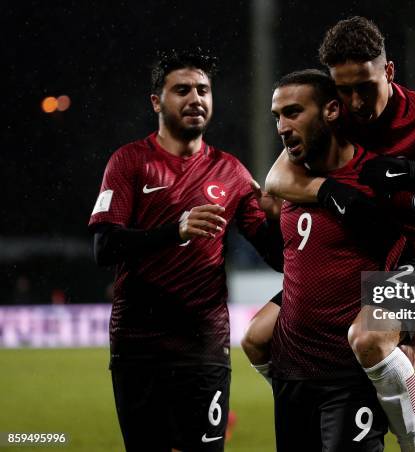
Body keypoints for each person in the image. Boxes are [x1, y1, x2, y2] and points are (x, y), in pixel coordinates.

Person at [243, 16, 415, 452]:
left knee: (371, 337)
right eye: (344, 90)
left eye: (365, 87)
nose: (356, 102)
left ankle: (413, 444)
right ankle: (310, 401)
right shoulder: (339, 118)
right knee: (258, 337)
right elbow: (275, 178)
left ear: (389, 71)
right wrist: (329, 191)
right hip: (383, 251)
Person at [88, 48, 282, 452]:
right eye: (182, 90)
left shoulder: (230, 171)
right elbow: (104, 246)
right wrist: (173, 231)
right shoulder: (129, 163)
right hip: (139, 348)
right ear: (157, 101)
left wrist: (288, 217)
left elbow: (275, 253)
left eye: (203, 90)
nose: (195, 98)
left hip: (204, 348)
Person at [268, 68, 408, 452]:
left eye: (293, 112)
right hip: (291, 377)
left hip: (347, 376)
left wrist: (408, 336)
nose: (281, 126)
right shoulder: (289, 180)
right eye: (277, 116)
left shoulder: (376, 179)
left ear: (331, 110)